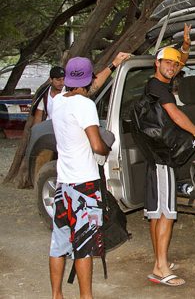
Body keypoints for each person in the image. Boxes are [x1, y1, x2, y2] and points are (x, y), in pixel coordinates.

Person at [49, 57, 112, 299]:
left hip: (63, 184)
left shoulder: (57, 102)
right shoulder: (85, 105)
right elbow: (96, 145)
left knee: (59, 242)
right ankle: (86, 297)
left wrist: (114, 64)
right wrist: (107, 148)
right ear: (89, 78)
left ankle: (56, 295)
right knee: (84, 247)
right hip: (84, 186)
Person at [143, 47, 195, 287]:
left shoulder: (156, 84)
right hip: (162, 160)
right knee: (166, 213)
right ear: (156, 64)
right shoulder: (159, 88)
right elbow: (175, 114)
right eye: (167, 63)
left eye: (175, 64)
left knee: (156, 212)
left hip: (155, 157)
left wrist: (187, 48)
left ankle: (160, 260)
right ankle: (160, 268)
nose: (172, 66)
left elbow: (178, 64)